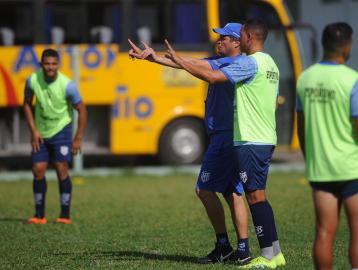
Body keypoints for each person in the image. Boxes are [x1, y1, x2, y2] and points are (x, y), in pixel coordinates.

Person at [153, 19, 286, 268]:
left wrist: (178, 60)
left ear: (244, 38)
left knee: (250, 196)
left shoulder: (248, 62)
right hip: (261, 137)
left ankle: (265, 254)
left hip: (248, 138)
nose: (219, 39)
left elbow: (212, 76)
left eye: (226, 36)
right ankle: (268, 251)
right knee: (246, 194)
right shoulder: (269, 63)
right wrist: (158, 58)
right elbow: (201, 66)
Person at [128, 23, 251, 264]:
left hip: (225, 137)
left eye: (224, 37)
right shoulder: (220, 60)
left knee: (204, 190)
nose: (219, 40)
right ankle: (242, 249)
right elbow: (188, 63)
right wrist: (153, 58)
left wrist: (173, 60)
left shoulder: (234, 64)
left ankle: (226, 246)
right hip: (224, 136)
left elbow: (200, 69)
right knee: (231, 192)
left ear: (237, 42)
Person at [296, 22, 358, 270]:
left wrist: (309, 157)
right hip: (351, 167)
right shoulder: (352, 79)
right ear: (347, 46)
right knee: (356, 230)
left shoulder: (305, 78)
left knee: (324, 231)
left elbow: (300, 127)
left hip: (320, 168)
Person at [23, 48, 87, 225]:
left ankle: (64, 216)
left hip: (61, 130)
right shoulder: (32, 80)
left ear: (58, 64)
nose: (50, 67)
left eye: (53, 64)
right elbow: (26, 105)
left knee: (61, 168)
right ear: (41, 64)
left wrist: (78, 137)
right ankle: (39, 215)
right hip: (41, 132)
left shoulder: (68, 85)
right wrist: (33, 130)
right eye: (46, 64)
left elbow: (82, 110)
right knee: (38, 169)